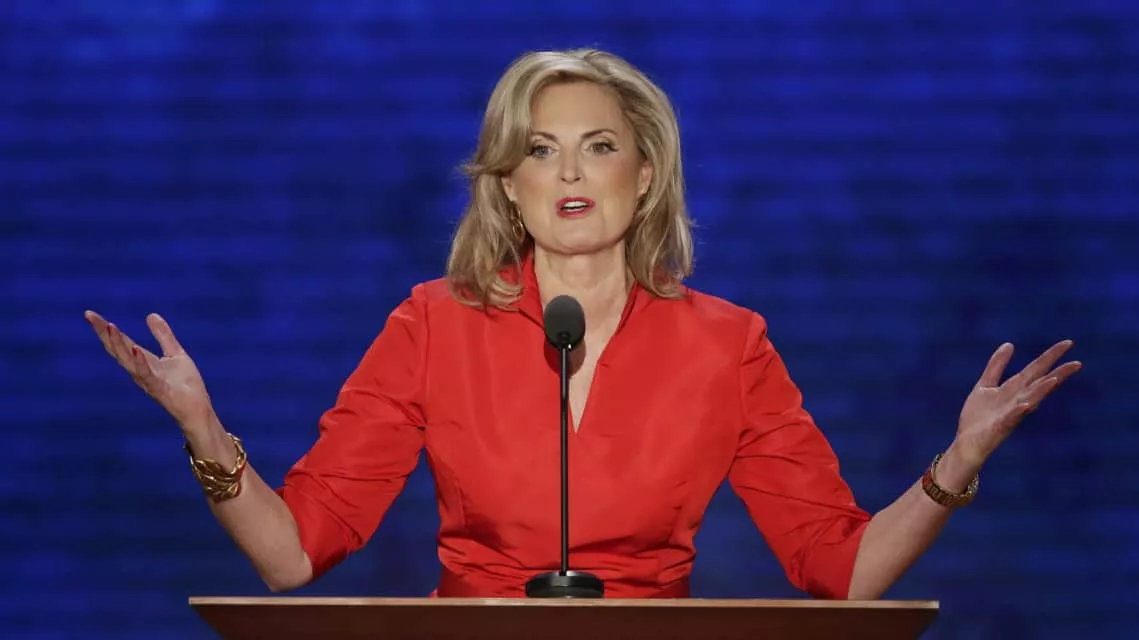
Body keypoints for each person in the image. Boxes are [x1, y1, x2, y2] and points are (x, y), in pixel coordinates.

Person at [84, 48, 1081, 600]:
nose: (567, 172)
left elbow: (841, 569)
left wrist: (955, 464)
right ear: (506, 185)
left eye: (597, 146)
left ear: (642, 175)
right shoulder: (432, 323)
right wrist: (203, 431)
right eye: (538, 149)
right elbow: (292, 554)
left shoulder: (728, 343)